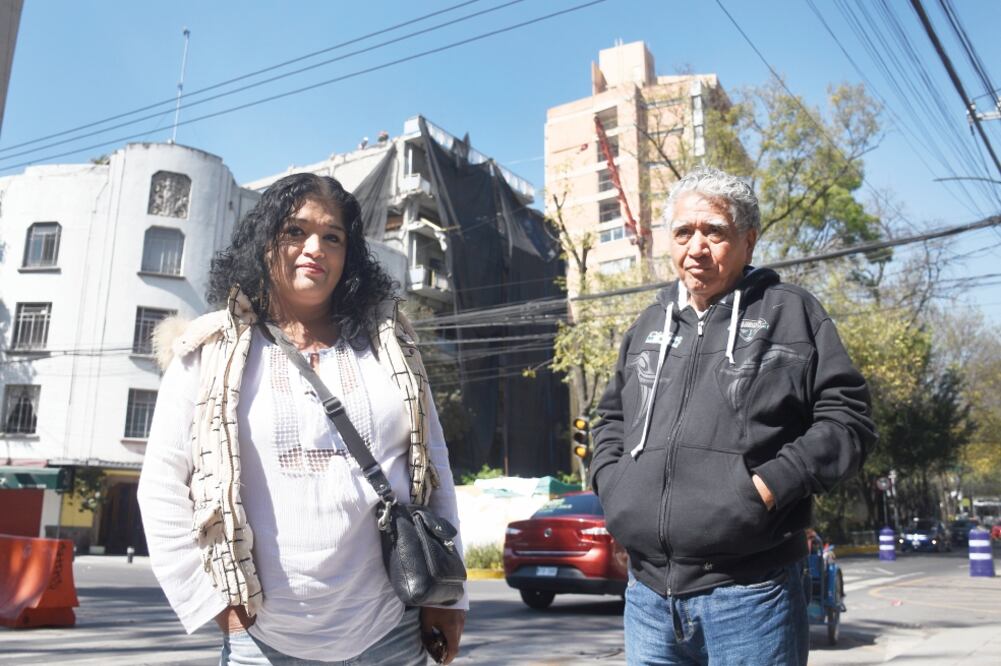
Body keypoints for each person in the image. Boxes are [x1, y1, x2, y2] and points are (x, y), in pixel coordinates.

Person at [137, 173, 467, 665]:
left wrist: (451, 597)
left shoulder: (390, 349)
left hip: (390, 631)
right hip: (266, 640)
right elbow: (162, 484)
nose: (315, 247)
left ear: (348, 254)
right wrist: (210, 602)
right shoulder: (209, 353)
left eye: (332, 237)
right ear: (264, 242)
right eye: (295, 231)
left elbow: (433, 466)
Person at [589, 166, 875, 665]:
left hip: (752, 596)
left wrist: (765, 488)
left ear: (748, 240)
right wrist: (616, 491)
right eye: (683, 232)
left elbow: (847, 419)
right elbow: (610, 421)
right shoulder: (647, 327)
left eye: (713, 231)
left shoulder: (792, 313)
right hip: (648, 598)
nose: (696, 247)